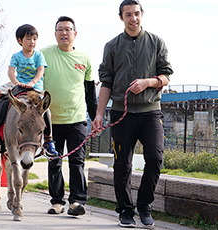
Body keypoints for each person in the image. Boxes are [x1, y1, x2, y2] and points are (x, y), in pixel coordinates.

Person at [92, 0, 174, 228]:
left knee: (155, 158)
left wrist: (148, 82)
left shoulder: (156, 42)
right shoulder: (112, 46)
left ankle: (145, 205)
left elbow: (166, 76)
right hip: (121, 113)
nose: (133, 18)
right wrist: (99, 114)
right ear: (121, 17)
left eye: (136, 14)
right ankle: (125, 211)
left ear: (142, 14)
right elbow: (106, 82)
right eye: (128, 14)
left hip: (150, 113)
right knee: (122, 164)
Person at [0, 24, 57, 155]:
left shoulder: (38, 56)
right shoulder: (16, 56)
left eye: (34, 39)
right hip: (18, 83)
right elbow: (11, 71)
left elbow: (40, 71)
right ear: (19, 40)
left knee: (46, 111)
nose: (32, 42)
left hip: (35, 86)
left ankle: (48, 140)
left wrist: (33, 82)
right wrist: (17, 83)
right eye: (28, 39)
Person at [41, 16, 97, 216]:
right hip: (51, 121)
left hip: (78, 120)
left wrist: (96, 117)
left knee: (77, 162)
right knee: (54, 162)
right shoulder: (44, 54)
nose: (64, 33)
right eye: (60, 30)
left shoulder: (85, 58)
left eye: (68, 29)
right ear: (55, 33)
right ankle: (57, 202)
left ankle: (76, 202)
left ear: (75, 33)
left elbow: (90, 92)